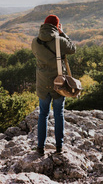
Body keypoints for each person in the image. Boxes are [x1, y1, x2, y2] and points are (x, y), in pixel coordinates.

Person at [31, 14, 76, 155]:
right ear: (56, 26)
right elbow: (72, 49)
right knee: (58, 114)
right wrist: (63, 33)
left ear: (44, 25)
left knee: (43, 114)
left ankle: (40, 147)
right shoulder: (59, 41)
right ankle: (59, 147)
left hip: (42, 84)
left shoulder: (35, 42)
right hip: (59, 84)